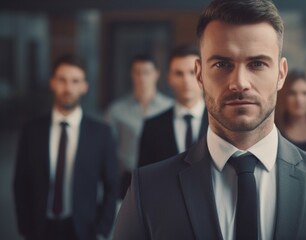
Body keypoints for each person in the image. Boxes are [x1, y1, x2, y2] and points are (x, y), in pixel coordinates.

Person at [113, 1, 306, 239]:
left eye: (258, 64)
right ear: (199, 74)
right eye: (222, 65)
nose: (239, 82)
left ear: (281, 74)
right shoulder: (147, 191)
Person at [13, 54, 118, 240]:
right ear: (52, 83)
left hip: (85, 230)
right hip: (39, 229)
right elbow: (20, 183)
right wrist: (25, 229)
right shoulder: (32, 130)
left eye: (75, 81)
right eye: (62, 80)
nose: (68, 88)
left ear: (84, 87)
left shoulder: (101, 133)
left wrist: (102, 230)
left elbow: (112, 186)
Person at [105, 54, 173, 198]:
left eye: (147, 72)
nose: (142, 78)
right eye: (138, 72)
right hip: (126, 179)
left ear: (157, 74)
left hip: (162, 177)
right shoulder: (116, 111)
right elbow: (107, 151)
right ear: (132, 74)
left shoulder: (170, 108)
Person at [137, 44, 207, 168]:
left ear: (203, 76)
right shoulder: (152, 127)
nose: (186, 80)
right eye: (179, 73)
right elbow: (146, 178)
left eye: (192, 72)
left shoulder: (222, 123)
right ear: (169, 78)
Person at [275, 70, 306, 155]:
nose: (299, 100)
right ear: (283, 97)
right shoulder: (274, 133)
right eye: (292, 93)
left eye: (305, 93)